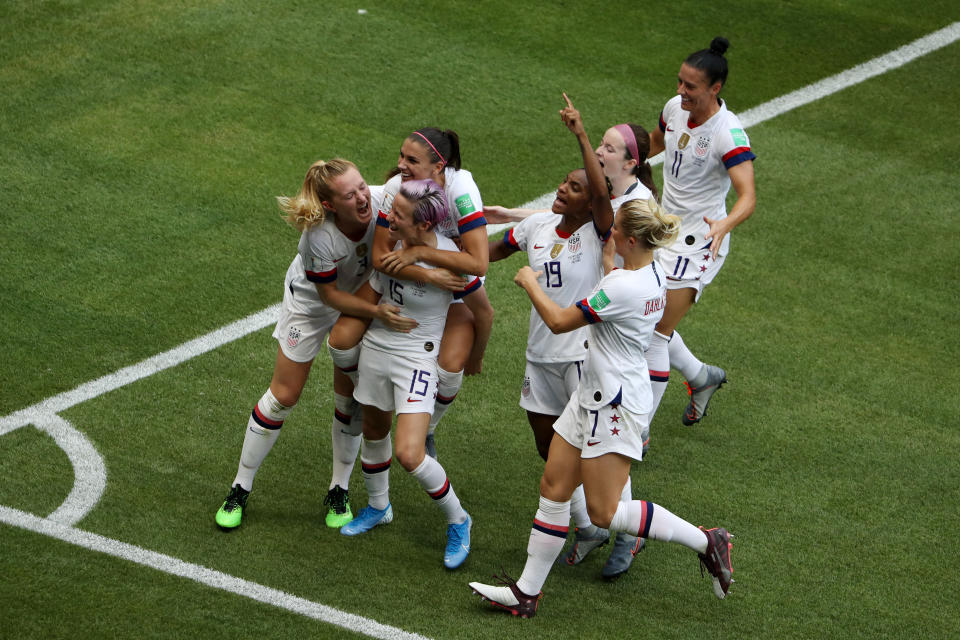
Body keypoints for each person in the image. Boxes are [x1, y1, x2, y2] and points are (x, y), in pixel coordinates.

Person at [467, 97, 735, 618]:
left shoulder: (625, 288)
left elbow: (562, 321)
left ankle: (707, 540)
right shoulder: (646, 272)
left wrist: (527, 281)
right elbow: (601, 246)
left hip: (614, 402)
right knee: (553, 485)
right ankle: (527, 593)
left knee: (606, 510)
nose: (606, 229)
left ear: (629, 238)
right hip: (593, 392)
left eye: (614, 229)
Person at [487, 96, 643, 580]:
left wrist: (581, 136)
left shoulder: (599, 232)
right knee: (548, 446)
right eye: (564, 183)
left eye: (573, 187)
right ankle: (588, 524)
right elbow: (488, 253)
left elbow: (601, 195)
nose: (563, 189)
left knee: (600, 447)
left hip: (579, 355)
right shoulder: (534, 226)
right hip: (540, 356)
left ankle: (629, 532)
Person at [214, 159, 417, 530]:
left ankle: (338, 489)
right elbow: (330, 298)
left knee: (350, 399)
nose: (362, 197)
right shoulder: (318, 238)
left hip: (359, 298)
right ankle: (240, 486)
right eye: (349, 194)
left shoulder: (382, 202)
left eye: (361, 186)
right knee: (283, 396)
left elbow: (438, 208)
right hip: (313, 305)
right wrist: (378, 310)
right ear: (329, 205)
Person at [339, 179, 489, 571]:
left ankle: (459, 520)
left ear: (424, 226)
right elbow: (378, 280)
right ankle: (377, 506)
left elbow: (482, 308)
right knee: (373, 430)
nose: (390, 218)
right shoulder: (392, 245)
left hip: (416, 358)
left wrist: (475, 354)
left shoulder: (453, 259)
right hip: (377, 348)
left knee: (409, 452)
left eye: (400, 215)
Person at [327, 127, 494, 461]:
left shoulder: (462, 192)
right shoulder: (395, 189)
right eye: (401, 155)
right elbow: (380, 257)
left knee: (449, 369)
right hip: (400, 275)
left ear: (438, 166)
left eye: (411, 160)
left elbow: (477, 262)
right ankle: (361, 396)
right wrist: (423, 271)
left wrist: (421, 255)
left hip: (452, 284)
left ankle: (428, 427)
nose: (400, 164)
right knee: (341, 342)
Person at [645, 36, 757, 426]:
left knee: (656, 332)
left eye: (690, 86)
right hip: (661, 232)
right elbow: (657, 143)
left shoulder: (728, 133)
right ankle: (701, 376)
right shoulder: (674, 108)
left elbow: (748, 195)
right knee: (642, 320)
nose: (680, 91)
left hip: (699, 244)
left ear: (715, 88)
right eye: (679, 82)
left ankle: (637, 431)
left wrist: (726, 223)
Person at [483, 120, 658, 225]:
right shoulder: (610, 190)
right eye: (601, 143)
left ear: (629, 163)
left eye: (609, 149)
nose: (598, 151)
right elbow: (566, 215)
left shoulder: (637, 206)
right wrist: (509, 215)